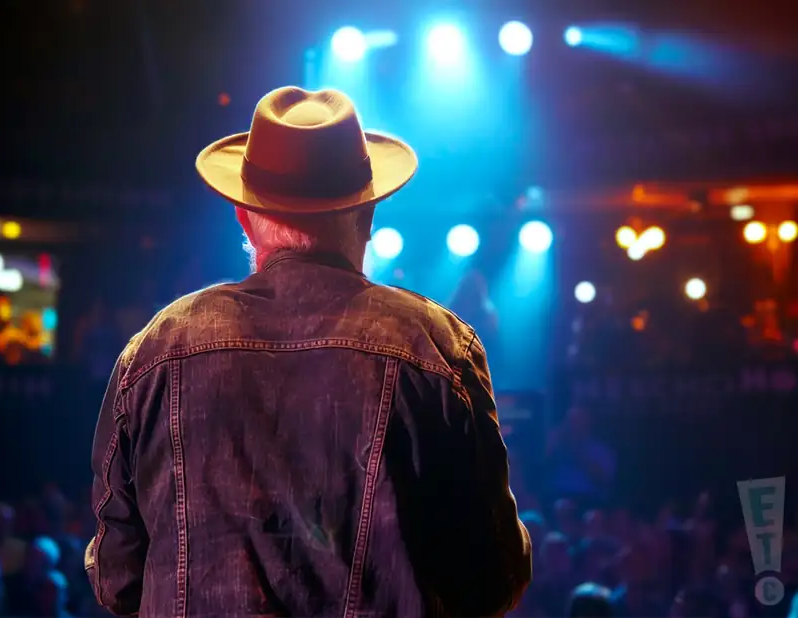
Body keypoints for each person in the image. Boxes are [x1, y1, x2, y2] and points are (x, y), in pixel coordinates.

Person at [85, 86, 531, 617]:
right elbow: (489, 576)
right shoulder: (436, 349)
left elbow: (118, 577)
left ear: (243, 216)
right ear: (367, 214)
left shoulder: (157, 351)